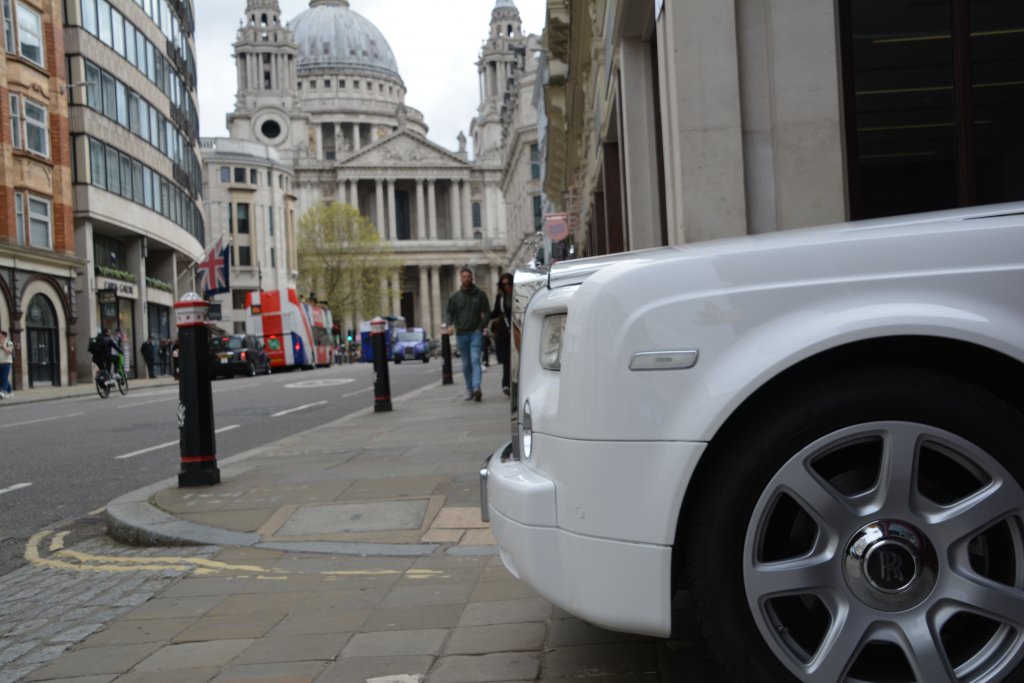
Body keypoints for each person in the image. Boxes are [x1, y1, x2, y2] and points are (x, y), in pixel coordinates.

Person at [445, 267, 490, 401]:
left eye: (468, 277)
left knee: (475, 359)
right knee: (466, 364)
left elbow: (487, 312)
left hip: (475, 333)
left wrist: (481, 327)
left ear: (472, 278)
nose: (466, 279)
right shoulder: (455, 297)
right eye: (464, 277)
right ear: (460, 278)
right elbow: (449, 313)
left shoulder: (480, 294)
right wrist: (449, 325)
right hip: (461, 334)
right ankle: (470, 389)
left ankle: (476, 387)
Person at [490, 273, 513, 396]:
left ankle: (515, 383)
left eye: (509, 283)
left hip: (517, 329)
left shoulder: (517, 294)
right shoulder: (501, 297)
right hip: (505, 332)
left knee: (516, 360)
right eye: (504, 284)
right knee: (506, 360)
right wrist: (484, 317)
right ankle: (506, 384)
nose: (507, 286)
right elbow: (496, 312)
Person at [0, 330, 14, 399]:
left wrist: (3, 346)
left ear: (4, 336)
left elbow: (9, 351)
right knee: (1, 377)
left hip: (6, 363)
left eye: (0, 335)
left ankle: (3, 391)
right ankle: (10, 391)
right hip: (0, 363)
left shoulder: (9, 342)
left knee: (4, 377)